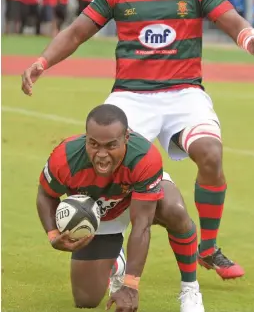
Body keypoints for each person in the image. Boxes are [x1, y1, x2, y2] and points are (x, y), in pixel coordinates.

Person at [22, 0, 254, 281]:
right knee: (106, 163)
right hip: (131, 96)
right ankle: (111, 249)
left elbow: (231, 20)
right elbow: (78, 30)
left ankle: (209, 248)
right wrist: (42, 61)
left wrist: (252, 41)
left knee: (211, 155)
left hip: (184, 93)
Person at [37, 104, 204, 312]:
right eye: (94, 144)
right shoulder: (65, 157)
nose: (101, 154)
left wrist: (131, 285)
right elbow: (46, 195)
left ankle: (190, 289)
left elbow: (141, 225)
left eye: (110, 145)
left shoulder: (144, 157)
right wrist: (53, 234)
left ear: (126, 137)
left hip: (136, 198)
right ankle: (116, 262)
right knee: (85, 299)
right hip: (98, 213)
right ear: (86, 137)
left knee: (174, 210)